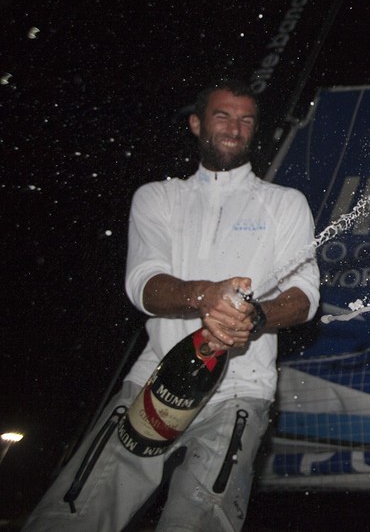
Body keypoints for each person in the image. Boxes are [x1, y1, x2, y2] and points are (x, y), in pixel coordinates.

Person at [24, 79, 321, 531]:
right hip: (155, 376)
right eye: (223, 116)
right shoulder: (157, 197)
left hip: (242, 385)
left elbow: (305, 296)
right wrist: (208, 295)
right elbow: (143, 284)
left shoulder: (285, 203)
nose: (234, 129)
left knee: (201, 519)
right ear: (197, 123)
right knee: (75, 511)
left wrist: (256, 316)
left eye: (246, 120)